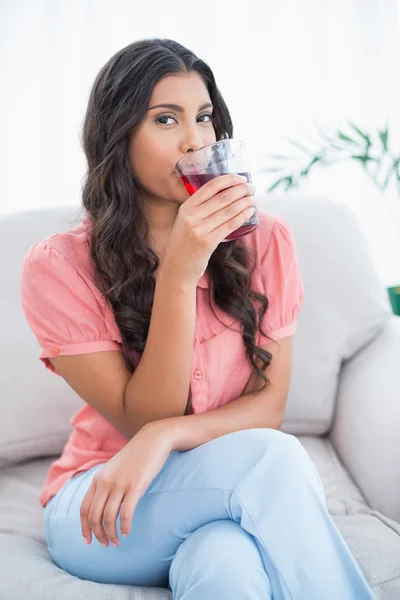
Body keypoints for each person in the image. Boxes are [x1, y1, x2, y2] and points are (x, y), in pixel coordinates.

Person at [20, 38, 375, 599]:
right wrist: (180, 274)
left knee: (225, 564)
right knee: (273, 460)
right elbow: (144, 417)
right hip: (104, 503)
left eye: (205, 118)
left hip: (216, 500)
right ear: (119, 136)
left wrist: (164, 437)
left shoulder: (267, 242)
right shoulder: (58, 265)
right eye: (166, 119)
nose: (196, 140)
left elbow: (268, 407)